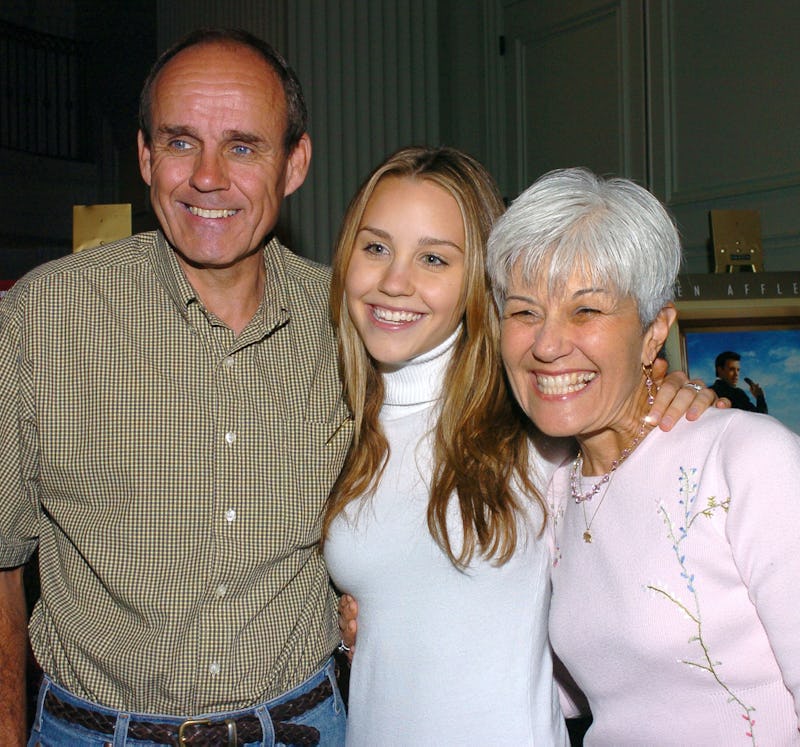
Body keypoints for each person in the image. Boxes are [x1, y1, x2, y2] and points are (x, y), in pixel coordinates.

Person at [0, 29, 352, 746]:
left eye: (244, 146)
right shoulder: (43, 318)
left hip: (305, 727)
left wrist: (641, 397)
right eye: (181, 142)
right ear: (145, 156)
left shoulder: (354, 325)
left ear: (295, 164)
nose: (208, 176)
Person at [323, 147, 721, 745]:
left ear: (481, 280)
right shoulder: (333, 418)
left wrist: (672, 392)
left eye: (433, 258)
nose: (394, 281)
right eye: (375, 247)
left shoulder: (535, 423)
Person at [486, 167, 800, 744]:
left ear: (655, 331)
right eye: (525, 311)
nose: (547, 344)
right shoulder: (554, 487)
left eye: (586, 311)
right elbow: (562, 687)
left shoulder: (746, 462)